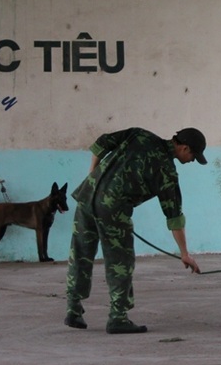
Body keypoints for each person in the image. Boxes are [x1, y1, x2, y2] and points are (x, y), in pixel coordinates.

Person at [64, 127, 207, 334]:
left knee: (80, 254)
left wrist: (92, 177)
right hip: (113, 210)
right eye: (193, 156)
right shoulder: (166, 171)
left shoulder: (139, 135)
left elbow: (100, 144)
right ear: (184, 148)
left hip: (87, 197)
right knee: (120, 262)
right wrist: (184, 253)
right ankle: (117, 317)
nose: (192, 160)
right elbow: (174, 217)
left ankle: (73, 309)